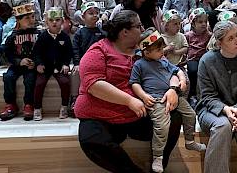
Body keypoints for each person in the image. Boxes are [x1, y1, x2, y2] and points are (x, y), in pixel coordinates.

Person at [74, 10, 183, 172]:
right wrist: (129, 100)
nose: (143, 28)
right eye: (139, 26)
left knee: (174, 117)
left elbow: (171, 71)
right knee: (91, 139)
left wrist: (173, 88)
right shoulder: (99, 50)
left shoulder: (147, 49)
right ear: (125, 32)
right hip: (101, 116)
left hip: (141, 115)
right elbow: (94, 84)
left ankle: (158, 165)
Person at [131, 29, 206, 172]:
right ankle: (158, 156)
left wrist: (183, 79)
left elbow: (176, 70)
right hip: (156, 100)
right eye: (159, 49)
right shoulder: (139, 65)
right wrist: (143, 96)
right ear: (146, 52)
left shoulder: (162, 61)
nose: (163, 51)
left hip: (174, 96)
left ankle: (190, 141)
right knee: (162, 126)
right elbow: (134, 83)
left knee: (190, 115)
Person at [196, 20, 237, 173]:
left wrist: (235, 110)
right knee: (222, 126)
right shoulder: (206, 61)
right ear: (220, 44)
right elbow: (207, 97)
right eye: (230, 38)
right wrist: (225, 110)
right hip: (211, 110)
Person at [0, 3, 40, 121]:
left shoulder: (39, 34)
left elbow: (43, 51)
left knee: (30, 80)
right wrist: (18, 61)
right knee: (8, 77)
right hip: (17, 65)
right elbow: (7, 54)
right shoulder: (12, 36)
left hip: (32, 66)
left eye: (32, 17)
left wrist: (36, 63)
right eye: (27, 18)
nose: (31, 20)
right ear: (18, 20)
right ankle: (10, 104)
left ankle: (29, 104)